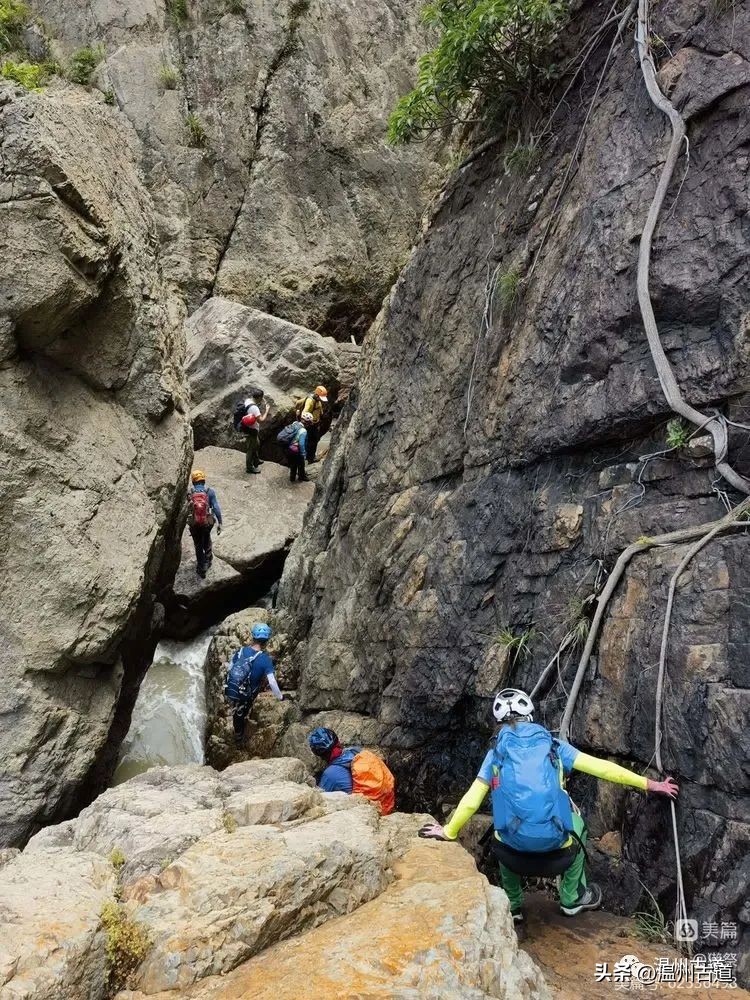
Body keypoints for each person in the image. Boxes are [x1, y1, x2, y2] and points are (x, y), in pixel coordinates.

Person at [419, 688, 679, 922]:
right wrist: (650, 784)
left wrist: (449, 831)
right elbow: (603, 769)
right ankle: (571, 898)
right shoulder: (553, 747)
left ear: (498, 724)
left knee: (502, 830)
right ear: (530, 716)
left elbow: (472, 800)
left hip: (511, 856)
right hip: (558, 854)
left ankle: (514, 905)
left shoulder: (495, 754)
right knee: (578, 825)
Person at [307, 727, 396, 815]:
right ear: (337, 742)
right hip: (386, 805)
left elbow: (319, 800)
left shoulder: (329, 775)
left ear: (319, 755)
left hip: (364, 813)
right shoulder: (356, 751)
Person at [224, 623, 283, 746]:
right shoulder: (265, 659)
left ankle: (238, 732)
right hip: (248, 693)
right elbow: (272, 681)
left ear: (253, 637)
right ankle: (240, 737)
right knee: (243, 710)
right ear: (266, 640)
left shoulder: (240, 651)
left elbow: (230, 668)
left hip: (234, 688)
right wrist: (280, 697)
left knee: (237, 712)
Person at [187, 470, 222, 579]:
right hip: (207, 523)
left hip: (194, 523)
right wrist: (220, 522)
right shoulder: (209, 492)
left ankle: (201, 566)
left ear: (193, 481)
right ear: (204, 480)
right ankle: (208, 559)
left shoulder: (190, 493)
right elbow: (216, 507)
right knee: (206, 537)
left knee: (198, 544)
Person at [298, 385, 328, 463]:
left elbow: (320, 412)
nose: (321, 400)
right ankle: (308, 458)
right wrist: (310, 421)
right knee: (308, 441)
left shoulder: (318, 401)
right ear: (317, 395)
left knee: (314, 440)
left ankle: (311, 457)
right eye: (320, 398)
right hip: (309, 425)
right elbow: (304, 413)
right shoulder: (310, 401)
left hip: (315, 424)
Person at [243, 389, 270, 475]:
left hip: (248, 428)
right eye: (261, 398)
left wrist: (262, 400)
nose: (262, 399)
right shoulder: (254, 408)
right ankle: (249, 468)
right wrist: (267, 411)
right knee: (250, 449)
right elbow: (261, 420)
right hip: (251, 431)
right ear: (259, 398)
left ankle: (256, 460)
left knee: (257, 444)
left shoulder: (248, 401)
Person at [288, 412, 312, 483]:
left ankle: (292, 477)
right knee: (301, 464)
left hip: (289, 448)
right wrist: (303, 454)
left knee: (293, 464)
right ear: (308, 423)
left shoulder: (295, 423)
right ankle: (302, 476)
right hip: (296, 450)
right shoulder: (303, 431)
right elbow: (301, 444)